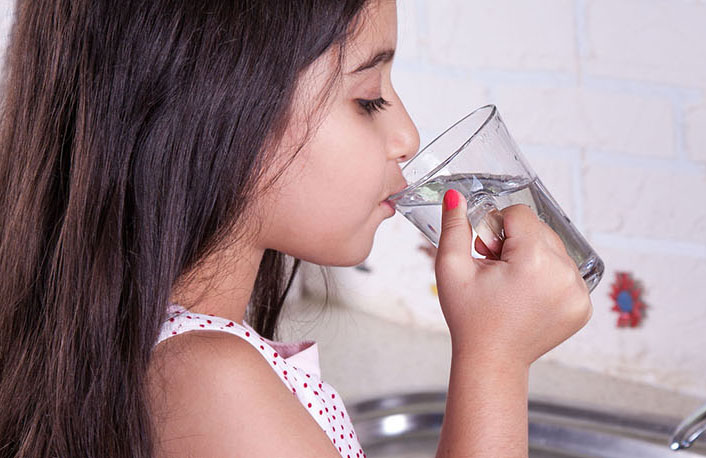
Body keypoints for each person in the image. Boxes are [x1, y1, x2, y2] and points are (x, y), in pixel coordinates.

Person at [0, 0, 592, 456]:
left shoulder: (175, 354)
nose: (406, 136)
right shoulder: (205, 382)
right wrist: (495, 361)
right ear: (220, 111)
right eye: (368, 98)